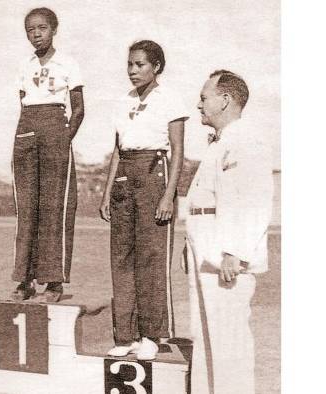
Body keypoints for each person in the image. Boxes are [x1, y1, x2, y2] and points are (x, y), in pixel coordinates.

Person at [185, 70, 273, 394]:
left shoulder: (246, 139)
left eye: (204, 97)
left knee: (229, 346)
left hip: (226, 257)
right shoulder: (221, 141)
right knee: (205, 339)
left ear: (225, 100)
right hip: (207, 253)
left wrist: (235, 251)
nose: (199, 104)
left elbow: (255, 199)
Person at [99, 40, 188, 360]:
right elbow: (117, 149)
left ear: (157, 67)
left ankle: (152, 333)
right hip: (125, 174)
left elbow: (178, 151)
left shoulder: (170, 99)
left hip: (155, 174)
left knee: (150, 259)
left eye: (140, 65)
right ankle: (126, 334)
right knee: (121, 258)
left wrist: (168, 196)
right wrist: (107, 192)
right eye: (130, 65)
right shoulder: (123, 101)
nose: (133, 71)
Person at [11, 7, 84, 303]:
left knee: (55, 207)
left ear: (54, 29)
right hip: (27, 129)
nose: (36, 34)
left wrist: (62, 139)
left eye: (41, 28)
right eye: (30, 29)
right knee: (27, 209)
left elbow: (78, 109)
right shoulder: (25, 66)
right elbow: (23, 106)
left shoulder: (68, 63)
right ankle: (24, 280)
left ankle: (53, 283)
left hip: (56, 128)